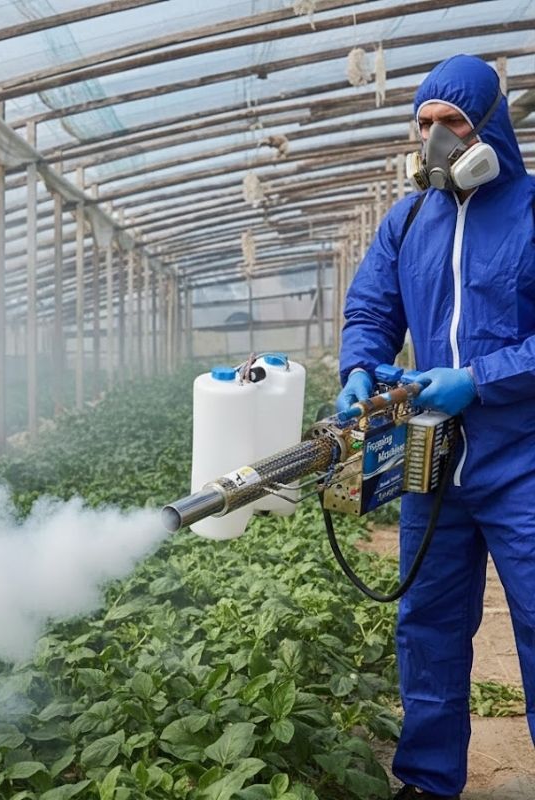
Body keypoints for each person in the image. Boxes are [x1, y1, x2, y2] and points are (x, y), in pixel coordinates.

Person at [335, 54, 535, 800]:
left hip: (522, 457)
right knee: (428, 624)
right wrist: (359, 366)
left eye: (451, 123)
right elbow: (371, 310)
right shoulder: (408, 218)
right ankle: (426, 780)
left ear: (490, 128)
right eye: (423, 123)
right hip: (433, 456)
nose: (435, 139)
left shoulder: (530, 210)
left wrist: (478, 380)